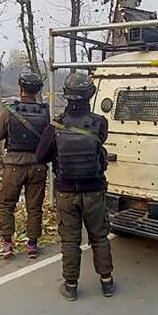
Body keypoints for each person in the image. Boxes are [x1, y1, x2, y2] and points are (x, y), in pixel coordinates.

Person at [36, 72, 114, 300]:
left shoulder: (55, 126)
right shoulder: (100, 123)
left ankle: (70, 286)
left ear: (67, 96)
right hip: (94, 191)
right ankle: (107, 283)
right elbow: (99, 142)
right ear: (90, 95)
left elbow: (40, 156)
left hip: (66, 192)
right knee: (99, 237)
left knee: (70, 240)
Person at [0, 72, 50, 259]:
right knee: (34, 207)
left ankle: (8, 244)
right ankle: (32, 245)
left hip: (14, 166)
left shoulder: (9, 111)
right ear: (38, 90)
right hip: (38, 166)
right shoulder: (45, 112)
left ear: (21, 89)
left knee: (6, 204)